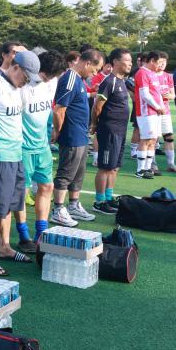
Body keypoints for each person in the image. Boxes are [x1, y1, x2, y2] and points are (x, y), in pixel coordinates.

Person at [0, 51, 41, 276]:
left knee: (10, 205)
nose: (27, 81)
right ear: (16, 67)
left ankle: (5, 247)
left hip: (15, 154)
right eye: (26, 76)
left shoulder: (16, 88)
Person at [51, 49, 103, 223]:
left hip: (81, 135)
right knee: (66, 173)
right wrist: (57, 130)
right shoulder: (70, 78)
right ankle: (58, 210)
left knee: (78, 173)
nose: (94, 74)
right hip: (71, 135)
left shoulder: (79, 80)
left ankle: (73, 205)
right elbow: (59, 109)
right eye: (95, 69)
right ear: (87, 63)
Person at [20, 50, 66, 245]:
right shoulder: (22, 85)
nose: (50, 80)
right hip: (22, 148)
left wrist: (54, 130)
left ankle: (41, 232)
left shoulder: (52, 83)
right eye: (48, 75)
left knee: (47, 186)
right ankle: (23, 234)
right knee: (21, 192)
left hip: (42, 146)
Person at [91, 48, 133, 214]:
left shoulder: (122, 81)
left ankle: (109, 197)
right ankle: (99, 201)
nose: (130, 63)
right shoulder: (109, 82)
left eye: (131, 61)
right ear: (115, 61)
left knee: (115, 167)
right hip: (109, 131)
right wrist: (95, 125)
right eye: (127, 60)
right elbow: (97, 107)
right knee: (105, 167)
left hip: (121, 131)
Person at [132, 51, 164, 178]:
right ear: (151, 61)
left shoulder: (153, 74)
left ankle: (147, 168)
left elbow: (157, 93)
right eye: (159, 63)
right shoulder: (142, 73)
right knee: (146, 139)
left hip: (155, 112)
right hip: (146, 112)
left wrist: (161, 108)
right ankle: (140, 170)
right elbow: (145, 95)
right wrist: (157, 107)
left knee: (153, 140)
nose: (160, 65)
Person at [155, 51, 176, 172]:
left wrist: (168, 96)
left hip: (165, 112)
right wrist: (160, 96)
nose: (162, 64)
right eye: (160, 62)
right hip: (153, 112)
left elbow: (173, 95)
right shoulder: (150, 75)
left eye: (164, 62)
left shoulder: (168, 76)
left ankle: (171, 164)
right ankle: (152, 164)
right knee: (154, 139)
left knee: (169, 137)